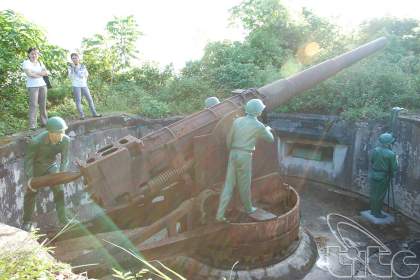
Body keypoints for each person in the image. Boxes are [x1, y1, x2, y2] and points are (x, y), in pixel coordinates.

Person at [216, 99, 274, 222]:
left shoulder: (237, 121)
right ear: (258, 112)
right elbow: (271, 139)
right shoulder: (259, 126)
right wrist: (267, 130)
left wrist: (232, 150)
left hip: (233, 153)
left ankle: (219, 215)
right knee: (244, 184)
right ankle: (249, 209)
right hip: (245, 155)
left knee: (228, 185)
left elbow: (229, 139)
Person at [22, 116, 71, 231]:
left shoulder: (65, 140)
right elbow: (28, 160)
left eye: (62, 132)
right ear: (50, 132)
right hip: (37, 167)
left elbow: (65, 160)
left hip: (51, 166)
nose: (60, 136)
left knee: (60, 190)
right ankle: (27, 222)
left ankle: (63, 219)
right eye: (57, 133)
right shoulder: (36, 142)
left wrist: (61, 175)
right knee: (31, 193)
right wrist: (30, 178)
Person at [368, 133, 398, 218]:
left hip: (374, 174)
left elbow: (372, 161)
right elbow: (394, 168)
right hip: (383, 176)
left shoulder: (375, 150)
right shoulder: (391, 154)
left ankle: (373, 210)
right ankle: (377, 213)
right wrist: (396, 161)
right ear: (388, 143)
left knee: (374, 194)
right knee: (380, 195)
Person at [68, 53, 101, 120]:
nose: (74, 59)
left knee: (89, 99)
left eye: (76, 58)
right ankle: (82, 115)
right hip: (76, 85)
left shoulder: (83, 66)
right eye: (73, 58)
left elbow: (86, 74)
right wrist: (73, 68)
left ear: (78, 58)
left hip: (84, 85)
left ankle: (94, 113)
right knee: (78, 101)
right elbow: (70, 76)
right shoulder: (70, 67)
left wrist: (84, 80)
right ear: (71, 59)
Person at [22, 47, 49, 130]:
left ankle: (44, 123)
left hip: (43, 85)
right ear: (29, 54)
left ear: (38, 55)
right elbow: (29, 74)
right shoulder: (26, 62)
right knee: (33, 105)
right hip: (32, 86)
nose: (34, 55)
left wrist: (35, 73)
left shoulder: (40, 63)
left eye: (36, 53)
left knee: (43, 105)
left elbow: (46, 73)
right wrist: (40, 74)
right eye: (32, 53)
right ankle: (32, 125)